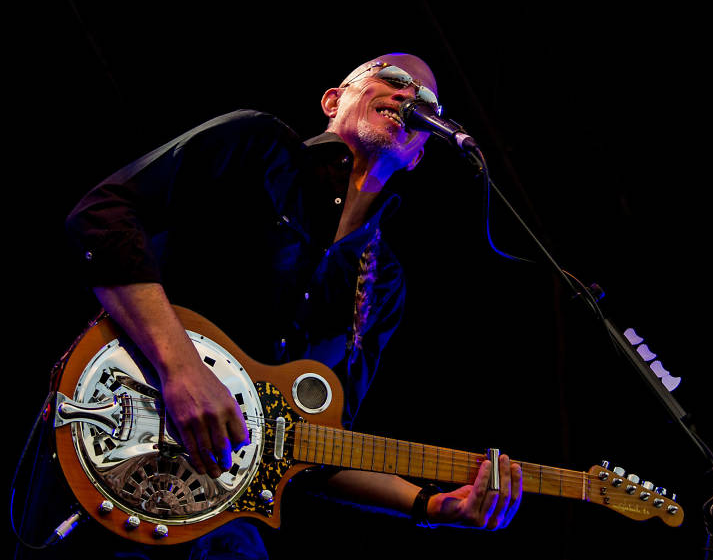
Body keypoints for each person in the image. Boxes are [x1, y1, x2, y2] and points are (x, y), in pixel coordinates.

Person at [36, 52, 522, 559]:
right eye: (394, 81)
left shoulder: (382, 284)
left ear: (419, 152)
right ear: (334, 100)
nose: (408, 97)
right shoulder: (257, 145)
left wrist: (431, 506)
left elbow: (317, 446)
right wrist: (180, 366)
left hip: (215, 508)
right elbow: (101, 219)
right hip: (113, 444)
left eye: (425, 100)